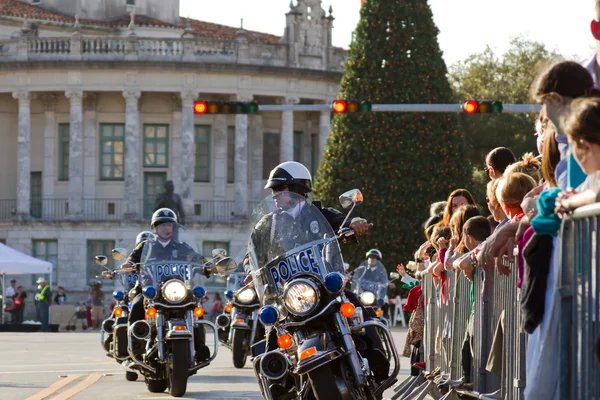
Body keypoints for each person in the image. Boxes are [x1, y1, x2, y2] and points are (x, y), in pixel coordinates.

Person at [248, 161, 388, 397]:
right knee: (273, 328)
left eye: (279, 190)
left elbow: (341, 222)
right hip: (290, 295)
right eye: (273, 192)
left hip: (322, 287)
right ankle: (277, 382)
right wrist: (248, 266)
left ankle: (377, 360)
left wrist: (353, 223)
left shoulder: (320, 214)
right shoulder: (268, 225)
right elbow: (253, 253)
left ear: (298, 189)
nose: (275, 196)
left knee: (354, 305)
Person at [123, 208, 211, 361]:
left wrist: (208, 265)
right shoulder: (146, 246)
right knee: (137, 304)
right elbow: (132, 259)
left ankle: (200, 346)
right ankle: (135, 344)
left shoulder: (181, 246)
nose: (166, 228)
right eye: (162, 224)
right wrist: (128, 265)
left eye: (169, 225)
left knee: (195, 307)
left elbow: (197, 258)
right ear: (155, 227)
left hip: (176, 289)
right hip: (150, 288)